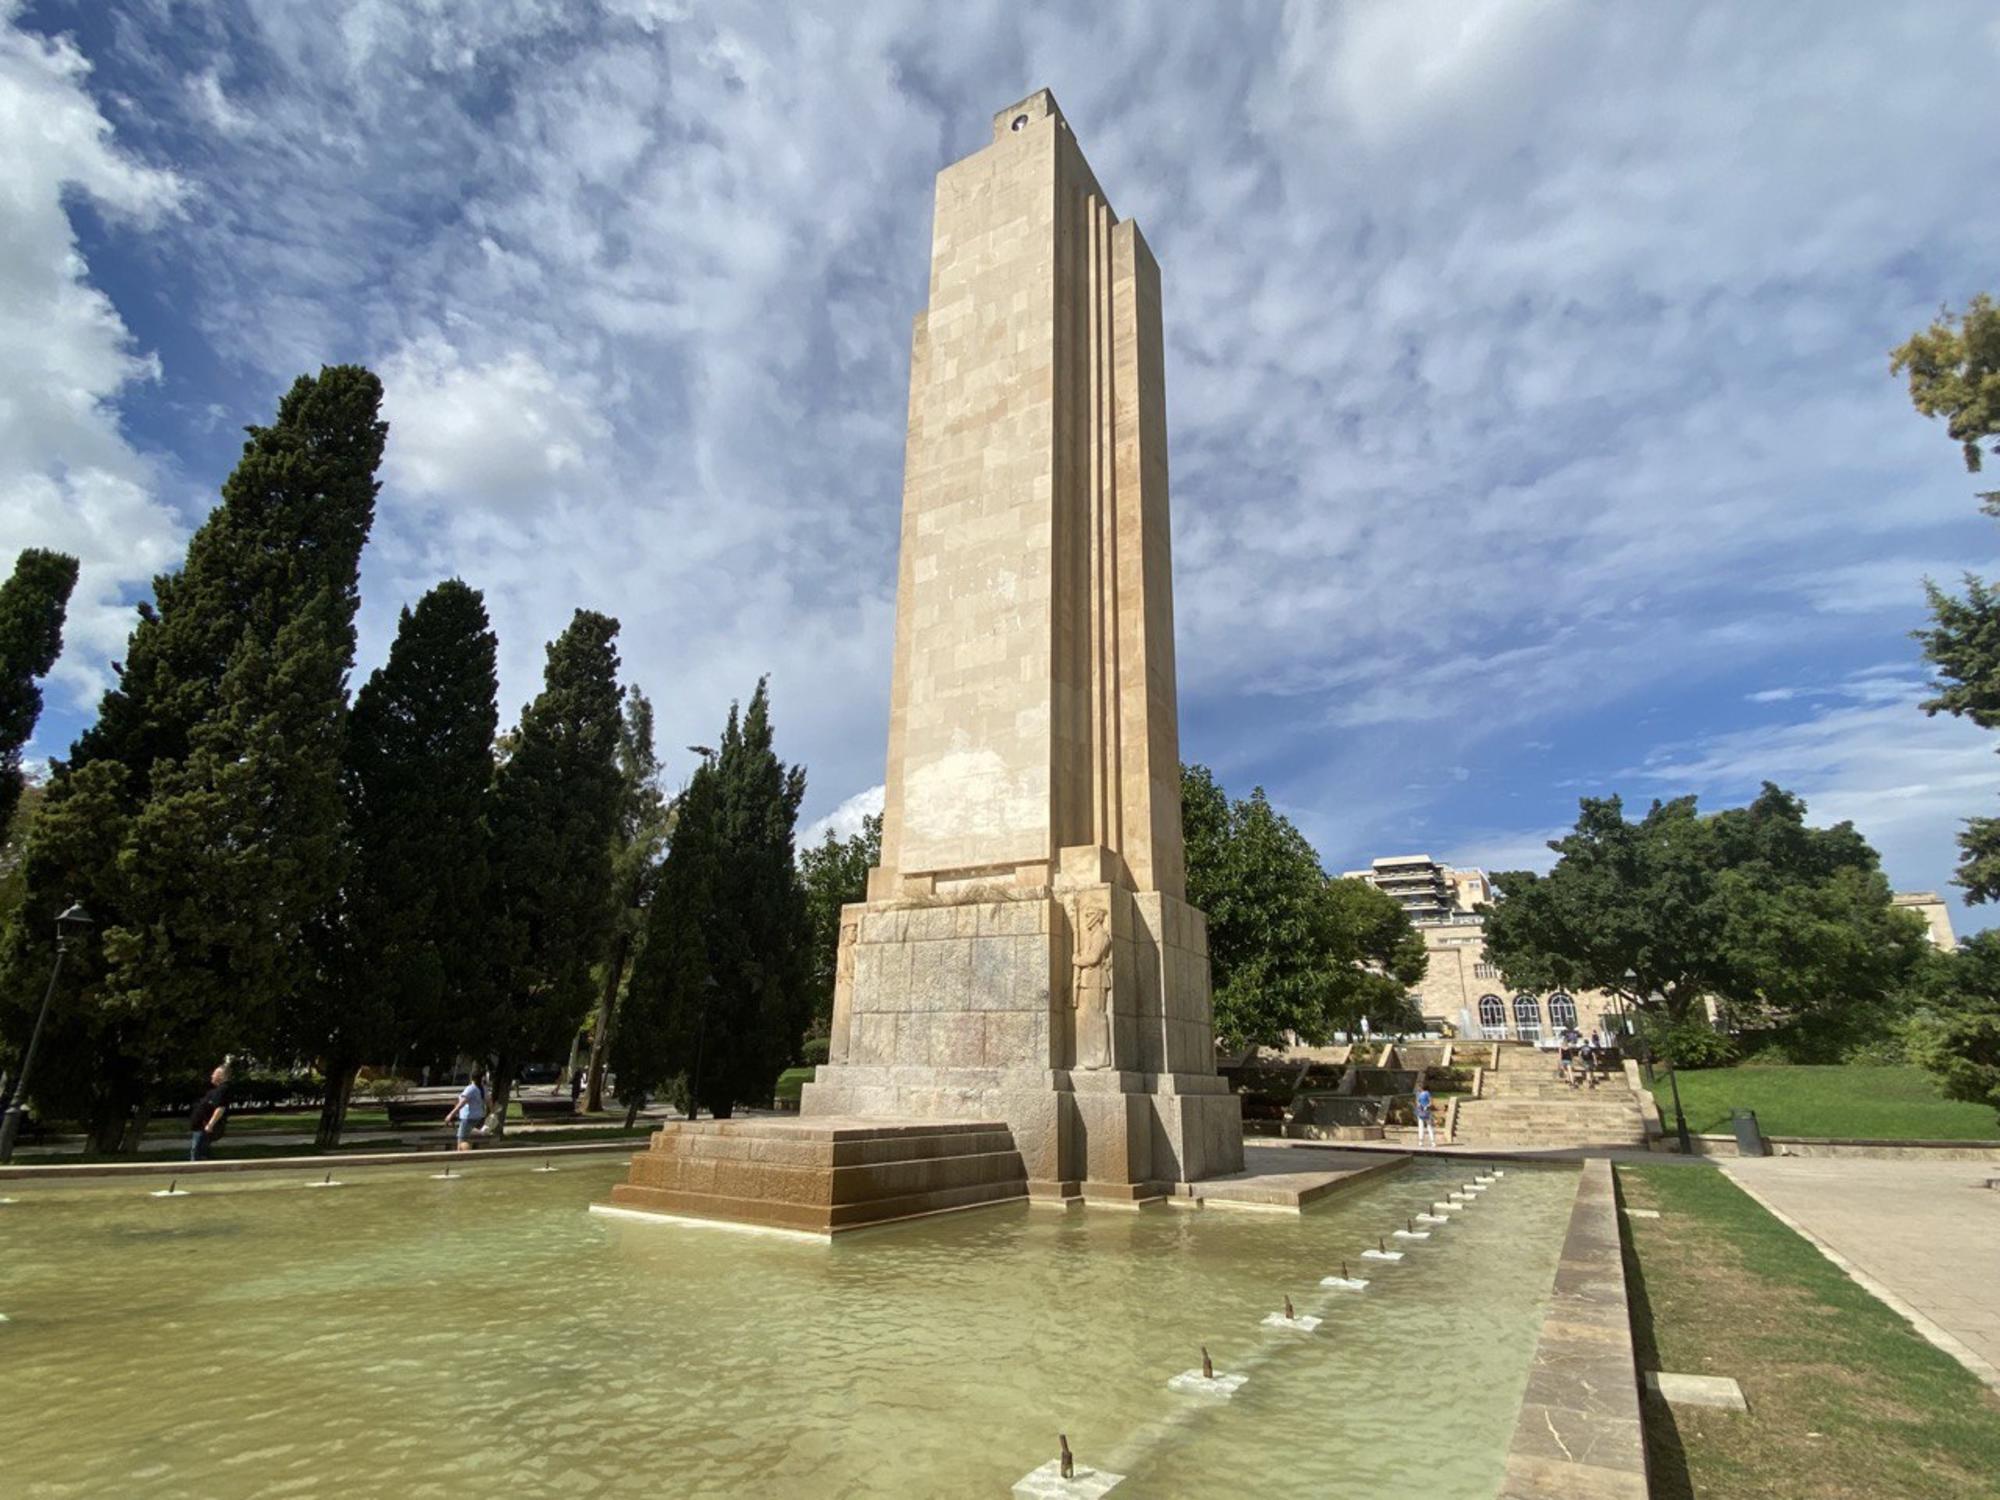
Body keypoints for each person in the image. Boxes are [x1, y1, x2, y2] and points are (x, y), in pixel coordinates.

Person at [190, 1065, 229, 1161]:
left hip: (204, 1126)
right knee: (199, 1151)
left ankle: (198, 1169)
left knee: (197, 1152)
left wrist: (210, 1125)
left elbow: (220, 1108)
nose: (212, 1075)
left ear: (221, 1076)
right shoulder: (216, 1089)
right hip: (200, 1126)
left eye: (214, 1073)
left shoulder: (223, 1089)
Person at [446, 1069, 487, 1151]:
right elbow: (489, 1102)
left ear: (471, 1077)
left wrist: (451, 1114)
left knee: (461, 1141)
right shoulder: (483, 1088)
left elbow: (462, 1103)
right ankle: (480, 1131)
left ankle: (463, 1156)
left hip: (468, 1117)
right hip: (479, 1116)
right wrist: (492, 1113)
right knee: (466, 1137)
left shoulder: (470, 1088)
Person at [1413, 1083, 1437, 1149]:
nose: (1419, 1088)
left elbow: (1419, 1102)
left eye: (1420, 1087)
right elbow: (1430, 1102)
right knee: (1428, 1126)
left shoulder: (1423, 1093)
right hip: (1425, 1112)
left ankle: (1422, 1141)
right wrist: (1426, 1106)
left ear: (1422, 1088)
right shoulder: (1425, 1093)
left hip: (1423, 1112)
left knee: (1423, 1126)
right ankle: (1432, 1142)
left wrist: (1423, 1106)